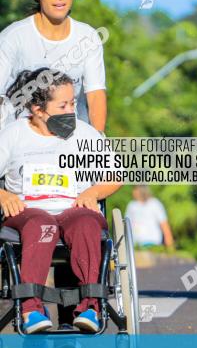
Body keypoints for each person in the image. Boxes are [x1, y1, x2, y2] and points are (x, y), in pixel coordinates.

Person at [0, 69, 121, 333]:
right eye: (63, 105)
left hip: (73, 207)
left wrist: (93, 192)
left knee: (87, 223)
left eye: (73, 103)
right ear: (38, 109)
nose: (71, 111)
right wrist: (4, 195)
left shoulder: (84, 134)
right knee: (42, 224)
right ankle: (31, 309)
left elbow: (114, 175)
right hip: (28, 211)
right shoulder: (13, 135)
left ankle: (91, 306)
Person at [0, 0, 107, 132]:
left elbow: (95, 95)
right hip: (21, 143)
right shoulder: (12, 37)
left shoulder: (88, 37)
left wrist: (98, 144)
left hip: (70, 141)